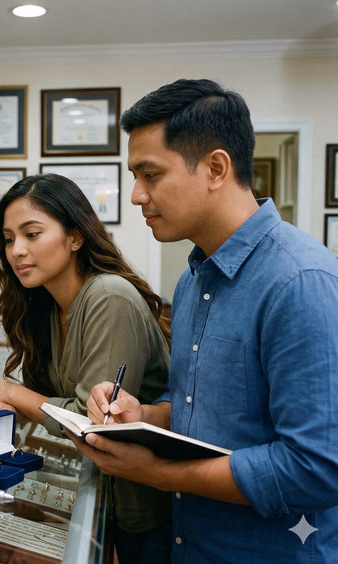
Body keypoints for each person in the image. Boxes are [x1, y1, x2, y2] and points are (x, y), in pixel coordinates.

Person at [78, 78, 338, 562]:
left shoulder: (301, 281)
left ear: (216, 167)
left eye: (150, 175)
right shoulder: (192, 280)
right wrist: (143, 416)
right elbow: (195, 404)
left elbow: (315, 467)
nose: (136, 196)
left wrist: (155, 472)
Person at [0, 174, 172, 563]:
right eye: (9, 238)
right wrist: (16, 402)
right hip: (103, 490)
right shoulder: (48, 304)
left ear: (75, 237)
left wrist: (12, 393)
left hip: (146, 506)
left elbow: (93, 421)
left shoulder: (108, 296)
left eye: (32, 234)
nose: (17, 250)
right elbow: (51, 397)